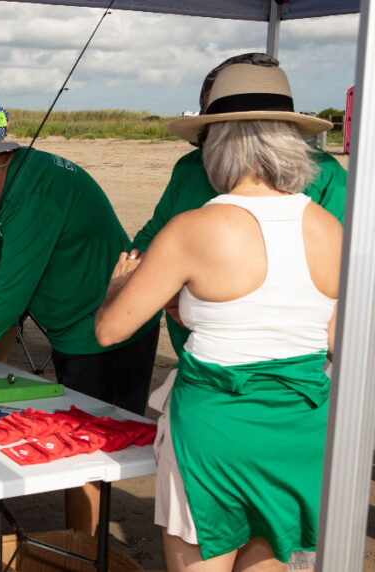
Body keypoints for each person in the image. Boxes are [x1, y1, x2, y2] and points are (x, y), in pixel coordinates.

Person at [95, 61, 338, 572]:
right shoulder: (329, 228)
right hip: (302, 426)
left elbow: (110, 329)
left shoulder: (195, 228)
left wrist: (120, 286)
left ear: (218, 144)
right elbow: (329, 335)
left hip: (217, 431)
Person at [0, 116, 159, 538]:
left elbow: (8, 296)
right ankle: (81, 541)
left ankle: (87, 552)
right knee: (73, 447)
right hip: (68, 327)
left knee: (91, 455)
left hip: (106, 330)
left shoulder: (36, 193)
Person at [130, 52, 347, 360]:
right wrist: (167, 289)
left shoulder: (326, 177)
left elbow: (346, 282)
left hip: (296, 366)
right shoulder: (189, 169)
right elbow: (149, 238)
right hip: (199, 359)